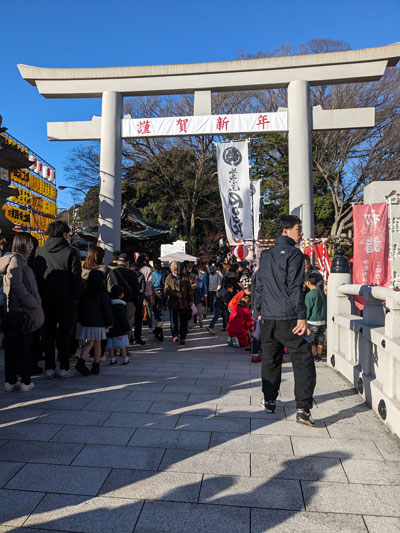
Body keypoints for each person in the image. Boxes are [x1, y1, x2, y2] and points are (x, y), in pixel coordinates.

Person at [255, 214, 316, 426]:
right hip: (289, 317)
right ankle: (303, 408)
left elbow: (259, 285)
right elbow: (295, 288)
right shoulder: (295, 255)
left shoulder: (267, 254)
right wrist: (302, 317)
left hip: (268, 317)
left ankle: (270, 400)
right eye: (298, 228)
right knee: (303, 361)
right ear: (285, 230)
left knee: (270, 360)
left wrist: (258, 312)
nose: (301, 233)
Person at [34, 220, 82, 379]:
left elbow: (37, 277)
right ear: (64, 234)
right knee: (65, 333)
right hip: (66, 299)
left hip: (44, 299)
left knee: (47, 333)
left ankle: (49, 367)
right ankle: (64, 367)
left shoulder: (39, 252)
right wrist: (76, 298)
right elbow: (76, 278)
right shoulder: (71, 251)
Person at [0, 232, 44, 392]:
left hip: (11, 312)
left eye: (31, 243)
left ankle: (10, 381)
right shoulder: (17, 261)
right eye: (27, 243)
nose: (31, 246)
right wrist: (32, 302)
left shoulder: (15, 260)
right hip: (22, 313)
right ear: (19, 244)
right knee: (24, 349)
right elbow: (17, 285)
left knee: (11, 349)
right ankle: (25, 382)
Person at [75, 270, 113, 376]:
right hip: (99, 321)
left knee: (89, 342)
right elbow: (107, 309)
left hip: (86, 321)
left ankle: (81, 362)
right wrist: (109, 322)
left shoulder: (85, 292)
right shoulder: (103, 293)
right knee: (97, 343)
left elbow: (80, 307)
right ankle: (95, 365)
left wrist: (81, 319)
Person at [111, 253, 140, 344]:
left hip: (114, 302)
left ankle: (114, 346)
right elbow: (136, 288)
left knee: (115, 323)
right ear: (127, 263)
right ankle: (125, 346)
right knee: (128, 324)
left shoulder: (113, 272)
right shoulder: (132, 273)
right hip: (129, 301)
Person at [164, 261, 193, 345]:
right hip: (173, 304)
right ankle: (175, 335)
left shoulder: (184, 276)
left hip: (184, 303)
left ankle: (183, 337)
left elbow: (189, 289)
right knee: (173, 321)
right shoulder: (168, 278)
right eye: (176, 270)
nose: (178, 271)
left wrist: (191, 300)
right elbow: (166, 290)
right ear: (172, 270)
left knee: (184, 321)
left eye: (178, 269)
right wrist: (175, 294)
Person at [305, 272, 327, 362]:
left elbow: (308, 309)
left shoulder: (309, 295)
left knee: (312, 340)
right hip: (322, 320)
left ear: (308, 283)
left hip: (312, 320)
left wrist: (305, 319)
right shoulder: (322, 293)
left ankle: (313, 355)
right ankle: (319, 355)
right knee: (320, 339)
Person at [107, 285, 131, 365]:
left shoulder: (109, 304)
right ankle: (125, 358)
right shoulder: (120, 305)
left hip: (110, 328)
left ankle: (112, 359)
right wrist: (127, 328)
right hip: (120, 329)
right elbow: (123, 318)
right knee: (122, 345)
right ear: (121, 295)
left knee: (111, 345)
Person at [137, 254, 154, 329]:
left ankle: (138, 326)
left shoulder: (136, 268)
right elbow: (150, 281)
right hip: (147, 291)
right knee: (149, 309)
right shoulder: (148, 269)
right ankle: (150, 326)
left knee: (139, 309)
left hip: (138, 291)